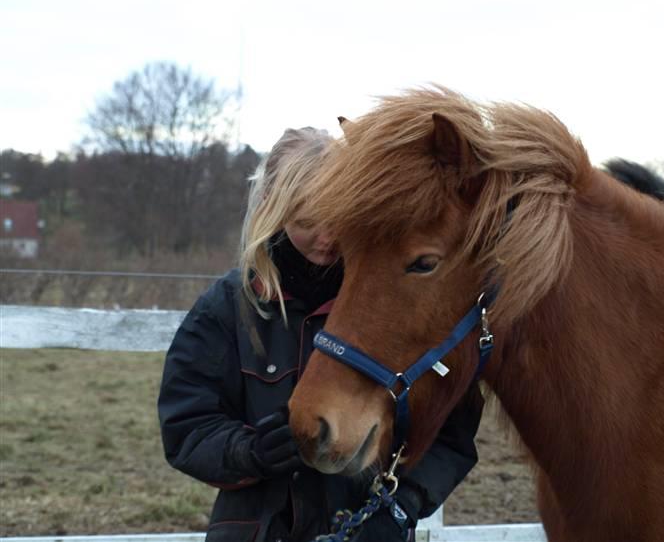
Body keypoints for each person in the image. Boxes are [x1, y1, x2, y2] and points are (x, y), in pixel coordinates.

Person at [158, 127, 484, 542]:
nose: (328, 239)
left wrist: (402, 506)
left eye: (338, 218)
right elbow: (186, 424)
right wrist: (250, 452)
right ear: (273, 213)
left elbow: (452, 427)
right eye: (307, 222)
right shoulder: (227, 307)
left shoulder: (390, 301)